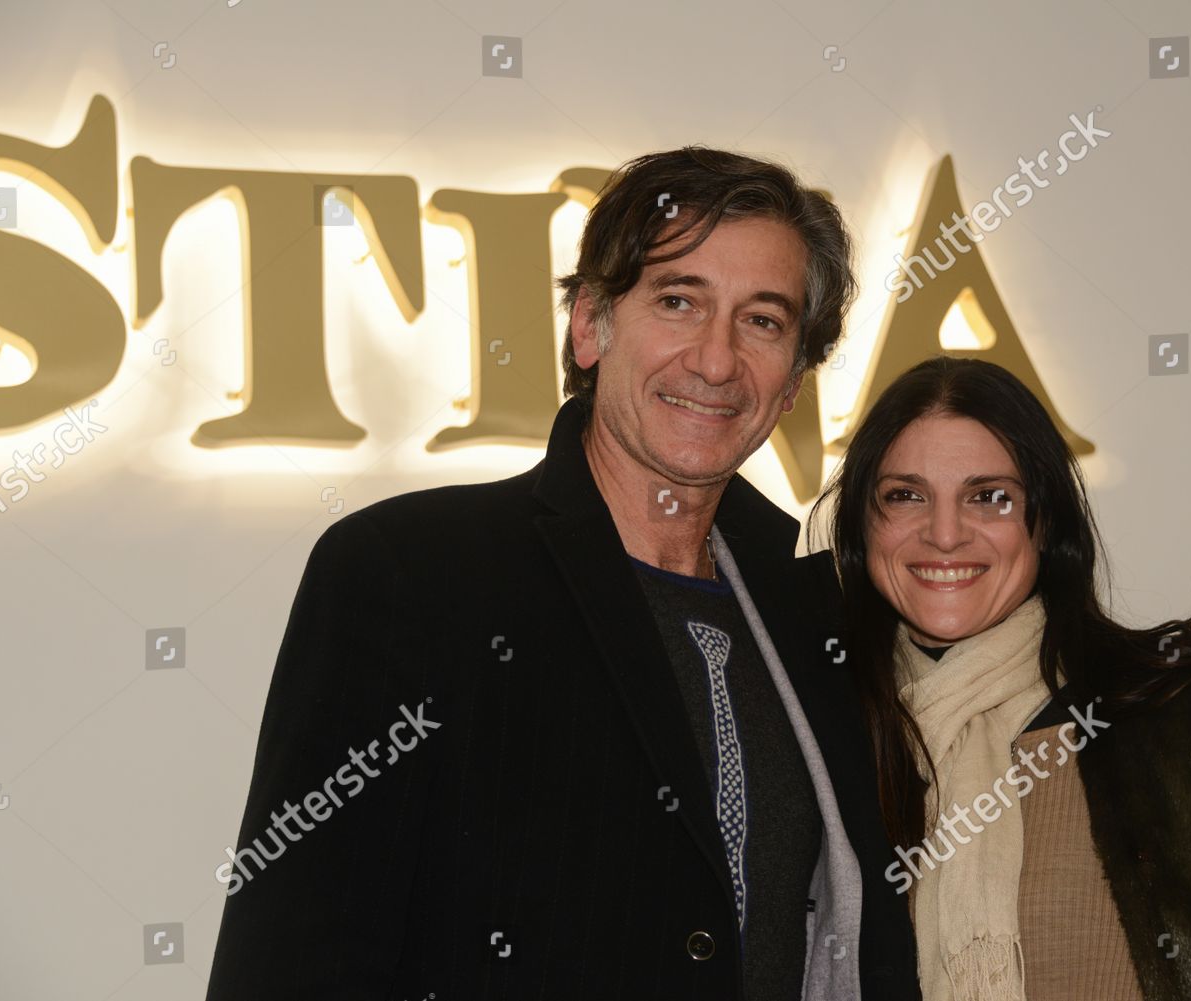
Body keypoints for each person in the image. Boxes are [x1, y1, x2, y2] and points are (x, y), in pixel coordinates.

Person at [205, 147, 917, 1000]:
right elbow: (296, 949)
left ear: (796, 379)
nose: (716, 360)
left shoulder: (815, 610)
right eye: (678, 300)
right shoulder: (411, 573)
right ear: (590, 324)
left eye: (762, 321)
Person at [816, 355, 1191, 1001]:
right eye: (905, 495)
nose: (944, 533)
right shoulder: (821, 746)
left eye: (989, 497)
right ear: (862, 524)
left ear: (1044, 522)